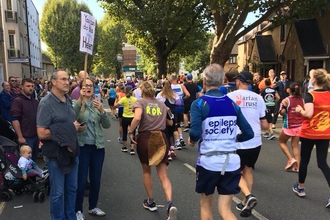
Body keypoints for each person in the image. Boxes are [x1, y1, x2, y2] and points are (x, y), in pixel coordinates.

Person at [188, 64, 254, 220]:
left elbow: (195, 133)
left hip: (208, 162)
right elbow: (249, 133)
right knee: (225, 209)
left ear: (204, 80)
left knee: (205, 205)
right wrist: (234, 139)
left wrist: (191, 140)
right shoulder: (232, 104)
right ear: (222, 80)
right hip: (231, 161)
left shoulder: (199, 103)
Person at [128, 80, 178, 220]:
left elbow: (137, 117)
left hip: (146, 137)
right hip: (161, 138)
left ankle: (151, 201)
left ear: (142, 91)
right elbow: (170, 122)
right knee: (163, 174)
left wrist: (131, 131)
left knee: (146, 171)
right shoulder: (162, 104)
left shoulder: (140, 103)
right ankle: (169, 203)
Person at [37, 69, 81, 220]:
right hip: (55, 155)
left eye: (67, 79)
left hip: (71, 152)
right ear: (53, 82)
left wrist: (77, 126)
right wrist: (68, 128)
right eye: (63, 79)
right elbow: (42, 133)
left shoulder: (68, 99)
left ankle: (71, 217)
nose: (67, 82)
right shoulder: (46, 103)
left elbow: (69, 124)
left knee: (72, 189)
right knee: (58, 193)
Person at [227, 71, 269, 217]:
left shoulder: (230, 97)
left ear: (238, 81)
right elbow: (265, 124)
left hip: (238, 140)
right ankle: (245, 201)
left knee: (235, 172)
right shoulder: (259, 98)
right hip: (255, 140)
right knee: (248, 170)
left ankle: (248, 195)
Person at [73, 78, 111, 219]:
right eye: (85, 86)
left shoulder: (97, 104)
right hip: (82, 147)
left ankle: (93, 206)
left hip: (97, 147)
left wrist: (102, 111)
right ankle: (78, 210)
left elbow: (107, 125)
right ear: (80, 88)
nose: (88, 88)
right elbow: (72, 114)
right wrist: (79, 101)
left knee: (96, 179)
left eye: (90, 86)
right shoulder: (76, 103)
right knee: (81, 181)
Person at [292, 68, 330, 207]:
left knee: (305, 161)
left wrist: (299, 110)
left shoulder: (310, 95)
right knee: (322, 163)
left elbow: (308, 113)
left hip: (309, 133)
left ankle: (300, 187)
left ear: (313, 81)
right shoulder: (329, 94)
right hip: (325, 133)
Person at [10, 78, 39, 160]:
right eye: (28, 86)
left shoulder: (35, 101)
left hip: (35, 136)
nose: (31, 88)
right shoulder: (17, 101)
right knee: (25, 163)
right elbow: (15, 120)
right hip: (25, 137)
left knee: (33, 160)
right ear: (22, 87)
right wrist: (20, 136)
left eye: (32, 86)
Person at [278, 82, 304, 172]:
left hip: (289, 125)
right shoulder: (302, 100)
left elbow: (281, 112)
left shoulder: (286, 100)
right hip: (299, 126)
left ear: (289, 90)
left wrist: (283, 109)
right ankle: (298, 166)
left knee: (281, 141)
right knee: (295, 145)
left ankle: (291, 159)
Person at [156, 80, 181, 161]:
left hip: (163, 115)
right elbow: (179, 103)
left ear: (163, 86)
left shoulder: (160, 94)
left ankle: (167, 152)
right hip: (172, 115)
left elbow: (156, 104)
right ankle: (172, 148)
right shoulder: (174, 94)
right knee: (172, 131)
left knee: (165, 132)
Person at [114, 85, 137, 154]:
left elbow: (116, 105)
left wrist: (116, 100)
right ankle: (132, 149)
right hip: (132, 117)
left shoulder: (123, 99)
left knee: (124, 132)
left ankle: (124, 147)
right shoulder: (135, 99)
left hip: (125, 116)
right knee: (133, 132)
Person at [170, 74, 190, 149]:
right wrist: (183, 99)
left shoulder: (170, 87)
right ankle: (181, 138)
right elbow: (188, 94)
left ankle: (177, 142)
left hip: (173, 107)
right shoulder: (181, 86)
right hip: (181, 106)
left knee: (174, 125)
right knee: (178, 123)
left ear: (171, 80)